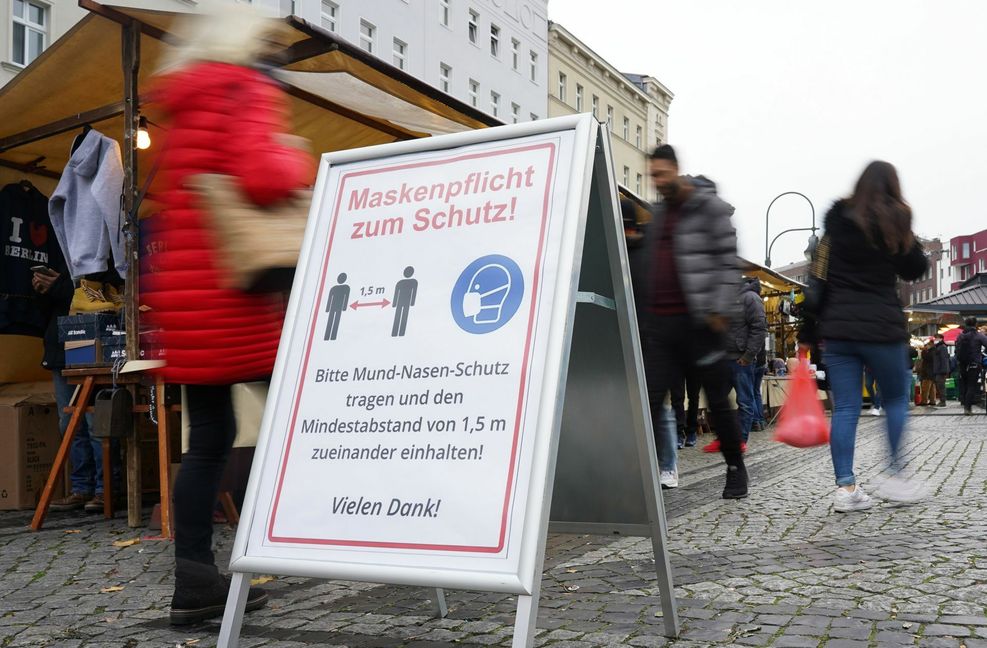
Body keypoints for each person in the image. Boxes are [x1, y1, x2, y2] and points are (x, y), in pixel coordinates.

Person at [142, 5, 316, 625]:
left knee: (207, 444)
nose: (276, 57)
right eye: (268, 45)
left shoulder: (185, 102)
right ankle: (346, 527)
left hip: (188, 304)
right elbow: (264, 176)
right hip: (238, 296)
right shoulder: (243, 87)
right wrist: (298, 157)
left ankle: (195, 581)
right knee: (309, 414)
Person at [799, 160, 928, 513]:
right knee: (896, 401)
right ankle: (897, 477)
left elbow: (817, 281)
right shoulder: (895, 221)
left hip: (839, 332)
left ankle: (845, 489)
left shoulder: (835, 227)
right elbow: (916, 268)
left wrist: (808, 330)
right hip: (882, 329)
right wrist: (903, 227)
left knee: (846, 408)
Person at [629, 145, 748, 499]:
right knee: (649, 401)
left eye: (663, 173)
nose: (658, 181)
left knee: (717, 401)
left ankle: (734, 468)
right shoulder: (660, 214)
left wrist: (719, 311)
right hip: (662, 328)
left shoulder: (709, 210)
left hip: (701, 323)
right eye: (653, 175)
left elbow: (728, 264)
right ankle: (646, 472)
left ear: (676, 170)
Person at [33, 261, 118, 513]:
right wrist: (43, 289)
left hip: (91, 339)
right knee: (69, 422)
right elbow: (44, 312)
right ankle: (82, 487)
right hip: (61, 344)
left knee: (95, 422)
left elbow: (108, 293)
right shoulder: (60, 244)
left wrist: (60, 285)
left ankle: (105, 489)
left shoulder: (98, 248)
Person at [716, 276, 766, 450]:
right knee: (719, 399)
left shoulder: (750, 297)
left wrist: (748, 355)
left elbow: (759, 328)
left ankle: (740, 441)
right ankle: (723, 438)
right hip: (725, 358)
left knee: (744, 401)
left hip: (740, 359)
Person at [955, 317, 987, 415]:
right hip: (974, 364)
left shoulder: (961, 335)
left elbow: (957, 349)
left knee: (965, 385)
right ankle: (967, 408)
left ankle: (965, 405)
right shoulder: (978, 335)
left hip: (962, 364)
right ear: (975, 324)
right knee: (971, 386)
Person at [931, 334, 950, 407]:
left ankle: (943, 401)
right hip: (938, 370)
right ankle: (942, 401)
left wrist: (944, 370)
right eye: (935, 338)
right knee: (939, 385)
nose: (935, 339)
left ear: (941, 338)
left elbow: (944, 359)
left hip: (941, 370)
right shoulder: (938, 347)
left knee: (941, 385)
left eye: (937, 338)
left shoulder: (942, 347)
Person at [918, 340, 936, 406]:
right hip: (932, 372)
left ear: (930, 345)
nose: (926, 346)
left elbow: (926, 358)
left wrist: (923, 351)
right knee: (932, 388)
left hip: (928, 372)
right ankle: (932, 400)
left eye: (927, 345)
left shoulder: (930, 352)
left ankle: (924, 401)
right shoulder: (934, 350)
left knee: (925, 387)